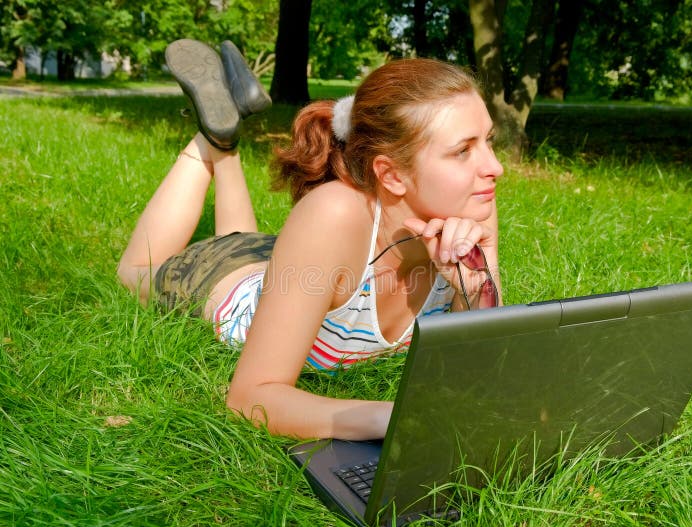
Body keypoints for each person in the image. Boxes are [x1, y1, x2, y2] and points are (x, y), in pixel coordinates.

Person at [117, 38, 504, 441]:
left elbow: (473, 380)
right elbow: (250, 398)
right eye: (462, 150)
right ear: (391, 175)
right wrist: (397, 419)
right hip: (227, 282)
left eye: (488, 141)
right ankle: (210, 142)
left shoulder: (471, 207)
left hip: (304, 268)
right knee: (135, 270)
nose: (494, 168)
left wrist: (478, 288)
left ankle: (225, 131)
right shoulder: (332, 214)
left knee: (243, 237)